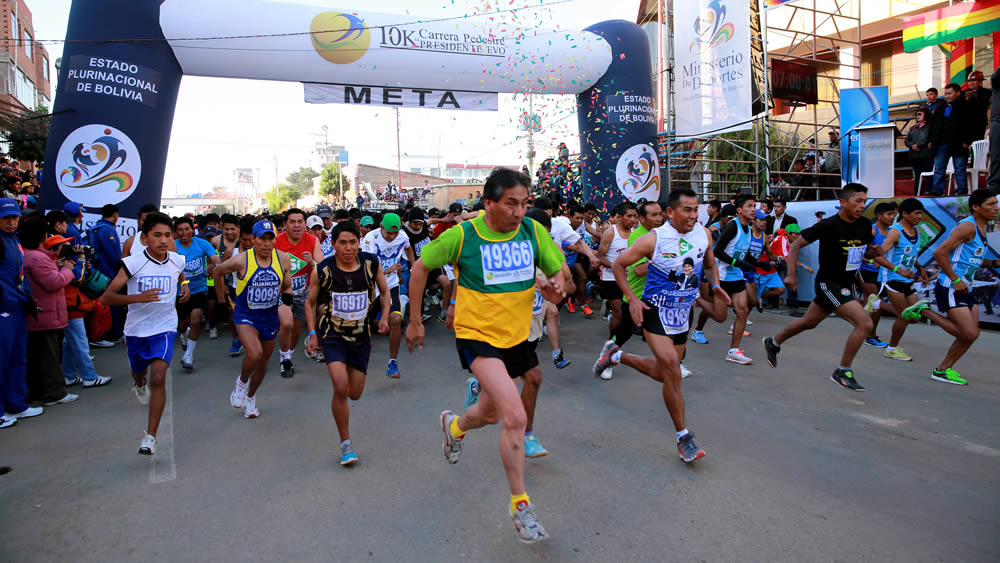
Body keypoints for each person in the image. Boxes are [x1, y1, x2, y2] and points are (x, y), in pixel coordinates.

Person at [406, 168, 566, 543]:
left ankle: (454, 426)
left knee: (490, 414)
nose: (519, 212)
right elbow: (419, 268)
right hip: (477, 336)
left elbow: (561, 277)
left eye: (524, 203)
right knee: (515, 415)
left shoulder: (533, 232)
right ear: (489, 203)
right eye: (511, 203)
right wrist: (415, 320)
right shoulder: (463, 236)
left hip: (516, 338)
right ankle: (520, 505)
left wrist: (558, 286)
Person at [594, 187, 729, 463]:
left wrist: (715, 286)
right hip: (655, 311)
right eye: (687, 210)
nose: (693, 215)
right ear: (671, 212)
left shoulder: (703, 235)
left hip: (682, 314)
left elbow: (711, 264)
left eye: (696, 209)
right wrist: (631, 299)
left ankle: (617, 355)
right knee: (672, 370)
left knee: (664, 373)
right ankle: (684, 438)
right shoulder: (654, 239)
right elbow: (620, 265)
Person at [763, 183, 882, 392]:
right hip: (829, 283)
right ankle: (843, 371)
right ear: (843, 203)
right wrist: (791, 274)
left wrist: (874, 253)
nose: (862, 205)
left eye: (864, 201)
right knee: (864, 323)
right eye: (858, 201)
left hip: (847, 284)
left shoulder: (864, 226)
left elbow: (864, 254)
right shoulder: (829, 225)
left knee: (808, 322)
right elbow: (796, 244)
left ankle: (773, 341)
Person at [101, 212, 189, 455]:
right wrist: (137, 298)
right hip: (136, 330)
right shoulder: (132, 263)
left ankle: (150, 436)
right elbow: (107, 297)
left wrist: (184, 286)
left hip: (164, 327)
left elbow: (180, 275)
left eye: (167, 235)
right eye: (157, 235)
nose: (163, 240)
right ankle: (138, 383)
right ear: (145, 237)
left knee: (159, 377)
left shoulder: (176, 260)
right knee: (139, 372)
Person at [305, 221, 390, 466]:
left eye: (353, 242)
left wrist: (384, 317)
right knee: (340, 387)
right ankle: (346, 443)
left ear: (359, 242)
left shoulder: (371, 264)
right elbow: (310, 303)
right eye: (342, 242)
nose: (348, 247)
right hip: (333, 336)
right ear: (333, 245)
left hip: (362, 337)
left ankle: (345, 429)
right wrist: (312, 333)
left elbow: (384, 292)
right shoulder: (323, 269)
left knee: (355, 393)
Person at [904, 189, 999, 384]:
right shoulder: (967, 227)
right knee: (969, 333)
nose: (996, 208)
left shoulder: (981, 229)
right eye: (991, 204)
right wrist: (956, 279)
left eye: (996, 204)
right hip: (951, 287)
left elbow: (969, 259)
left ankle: (942, 370)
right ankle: (925, 311)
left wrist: (993, 263)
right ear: (976, 207)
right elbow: (940, 253)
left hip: (967, 287)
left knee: (972, 335)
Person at [213, 220, 292, 418]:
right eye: (262, 239)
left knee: (263, 363)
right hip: (245, 314)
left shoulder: (283, 259)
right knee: (255, 354)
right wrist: (222, 300)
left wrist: (288, 295)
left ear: (275, 239)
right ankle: (241, 382)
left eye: (270, 239)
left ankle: (250, 397)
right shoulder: (242, 260)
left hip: (269, 315)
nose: (267, 244)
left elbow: (287, 284)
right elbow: (217, 272)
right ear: (254, 240)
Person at [21, 218, 79, 408]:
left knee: (42, 357)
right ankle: (55, 393)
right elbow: (53, 282)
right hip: (46, 316)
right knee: (49, 357)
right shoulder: (37, 257)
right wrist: (68, 270)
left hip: (41, 314)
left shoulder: (30, 255)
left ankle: (41, 393)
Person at [874, 198, 932, 362]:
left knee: (914, 318)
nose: (920, 217)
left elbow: (910, 255)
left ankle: (878, 303)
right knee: (905, 316)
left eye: (921, 213)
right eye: (916, 213)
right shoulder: (895, 232)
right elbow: (879, 256)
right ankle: (892, 349)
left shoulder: (917, 231)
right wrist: (898, 270)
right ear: (905, 214)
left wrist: (920, 268)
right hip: (892, 278)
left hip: (907, 280)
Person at [362, 213, 415, 379]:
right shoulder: (371, 238)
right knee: (363, 322)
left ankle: (393, 361)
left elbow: (408, 247)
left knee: (396, 320)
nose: (392, 237)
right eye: (388, 233)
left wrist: (414, 267)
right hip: (371, 285)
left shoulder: (402, 236)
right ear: (381, 228)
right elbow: (368, 266)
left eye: (395, 233)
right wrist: (386, 270)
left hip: (390, 285)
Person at [275, 208, 323, 378]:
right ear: (285, 225)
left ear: (305, 224)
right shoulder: (276, 241)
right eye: (292, 222)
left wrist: (312, 263)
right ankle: (284, 357)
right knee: (286, 324)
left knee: (296, 330)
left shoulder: (312, 240)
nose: (296, 226)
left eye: (300, 222)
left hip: (304, 293)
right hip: (282, 292)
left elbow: (322, 267)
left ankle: (287, 356)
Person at [0, 198, 35, 428]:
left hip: (17, 307)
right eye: (6, 218)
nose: (12, 222)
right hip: (4, 309)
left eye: (15, 218)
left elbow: (19, 274)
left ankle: (16, 404)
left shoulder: (15, 240)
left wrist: (27, 298)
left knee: (16, 358)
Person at [712, 194, 757, 364]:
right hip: (722, 275)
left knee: (743, 311)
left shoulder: (749, 229)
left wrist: (758, 263)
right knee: (720, 317)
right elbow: (718, 251)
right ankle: (699, 299)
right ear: (739, 210)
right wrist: (735, 262)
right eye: (749, 206)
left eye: (754, 206)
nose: (753, 209)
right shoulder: (732, 227)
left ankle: (733, 350)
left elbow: (744, 253)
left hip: (736, 275)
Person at [173, 216, 220, 371]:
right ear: (176, 232)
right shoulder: (172, 247)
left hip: (199, 289)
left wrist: (213, 264)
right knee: (182, 325)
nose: (184, 232)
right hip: (179, 292)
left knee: (195, 320)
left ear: (192, 230)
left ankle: (189, 355)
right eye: (180, 230)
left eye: (187, 229)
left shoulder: (202, 243)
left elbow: (215, 257)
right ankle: (184, 334)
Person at [596, 202, 637, 353]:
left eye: (635, 216)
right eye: (629, 216)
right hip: (610, 278)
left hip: (629, 279)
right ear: (619, 217)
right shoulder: (610, 233)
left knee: (626, 313)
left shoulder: (636, 232)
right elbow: (600, 256)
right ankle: (610, 345)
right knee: (619, 312)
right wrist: (616, 267)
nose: (633, 219)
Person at [858, 202, 898, 348]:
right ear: (878, 216)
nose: (892, 217)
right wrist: (871, 260)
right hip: (866, 271)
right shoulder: (873, 231)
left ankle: (864, 329)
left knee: (871, 305)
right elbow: (858, 251)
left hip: (883, 273)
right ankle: (870, 336)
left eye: (894, 214)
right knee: (876, 304)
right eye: (889, 214)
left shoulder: (892, 232)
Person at [930, 83, 976, 196]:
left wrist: (967, 141)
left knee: (959, 168)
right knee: (939, 168)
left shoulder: (965, 106)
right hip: (941, 143)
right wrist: (931, 140)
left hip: (959, 143)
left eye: (949, 93)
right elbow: (934, 126)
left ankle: (961, 191)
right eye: (945, 94)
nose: (947, 96)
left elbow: (972, 125)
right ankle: (938, 191)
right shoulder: (940, 107)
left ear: (958, 93)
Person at [89, 204, 124, 345]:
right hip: (108, 272)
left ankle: (102, 334)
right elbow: (114, 255)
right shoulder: (107, 230)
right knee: (112, 303)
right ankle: (111, 334)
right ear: (115, 214)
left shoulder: (95, 228)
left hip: (97, 273)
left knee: (101, 304)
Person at [906, 107, 934, 195]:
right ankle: (917, 192)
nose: (917, 116)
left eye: (920, 114)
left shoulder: (930, 126)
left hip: (926, 154)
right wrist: (912, 145)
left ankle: (929, 191)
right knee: (917, 176)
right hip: (915, 156)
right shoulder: (913, 128)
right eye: (916, 114)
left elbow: (927, 138)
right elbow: (907, 140)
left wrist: (918, 145)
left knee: (929, 175)